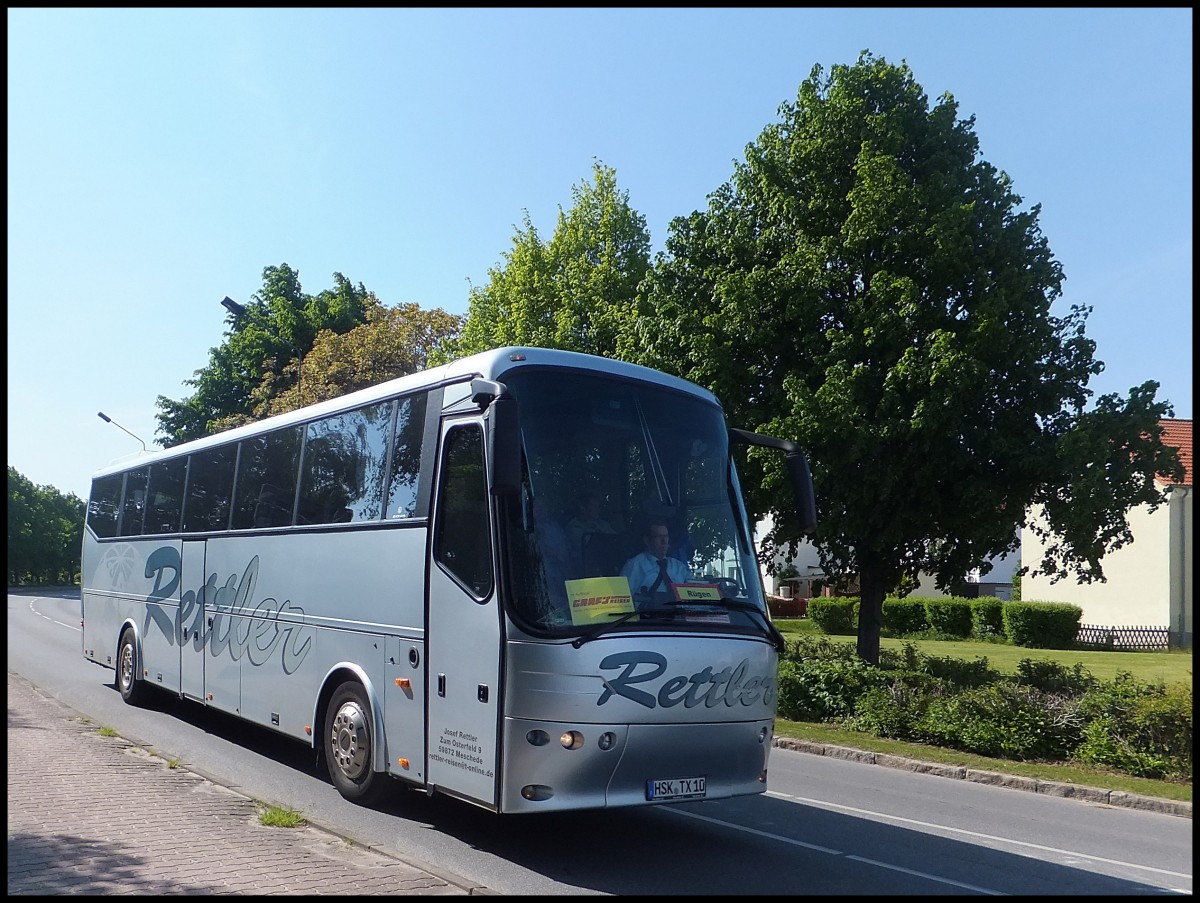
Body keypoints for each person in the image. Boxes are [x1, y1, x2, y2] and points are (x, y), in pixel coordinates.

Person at [620, 517, 691, 603]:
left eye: (666, 536)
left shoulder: (679, 567)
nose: (664, 541)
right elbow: (622, 601)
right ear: (647, 540)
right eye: (659, 537)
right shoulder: (634, 566)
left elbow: (695, 594)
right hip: (644, 615)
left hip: (679, 615)